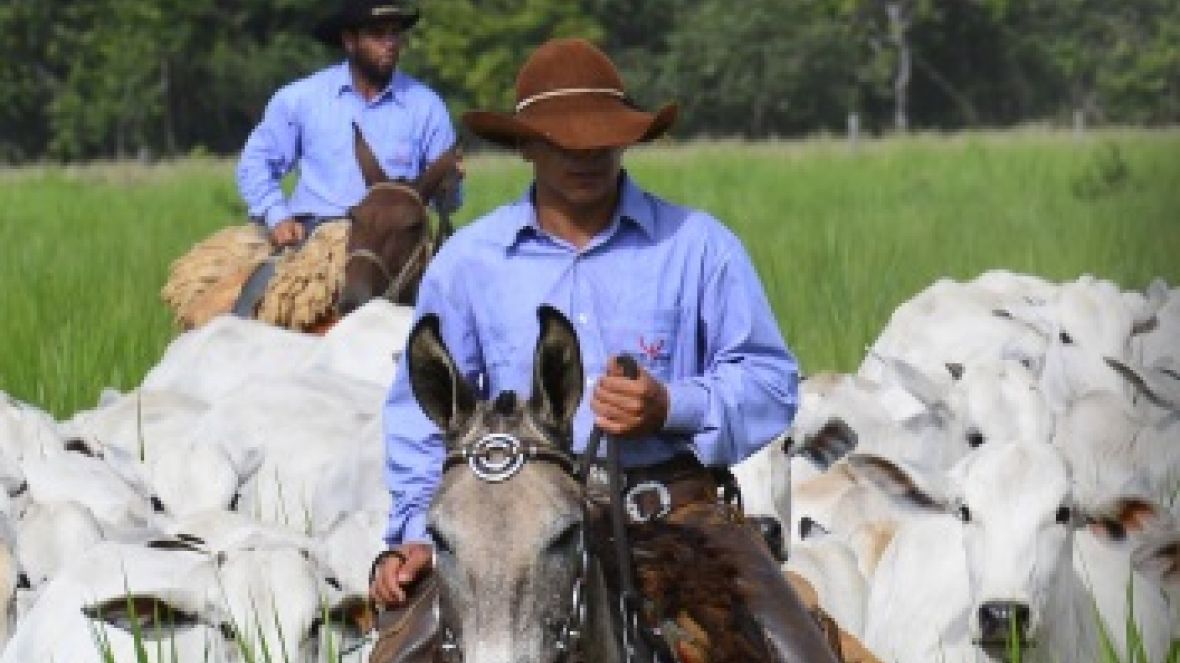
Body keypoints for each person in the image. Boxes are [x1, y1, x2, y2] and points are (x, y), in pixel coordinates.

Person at [370, 38, 840, 661]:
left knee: (800, 649)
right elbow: (419, 412)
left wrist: (671, 406)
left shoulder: (698, 247)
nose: (587, 155)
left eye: (602, 138)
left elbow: (771, 382)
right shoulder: (468, 265)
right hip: (507, 527)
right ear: (527, 146)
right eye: (566, 142)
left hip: (675, 515)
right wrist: (414, 532)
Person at [236, 0, 458, 248]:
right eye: (377, 34)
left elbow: (451, 201)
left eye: (395, 33)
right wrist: (277, 216)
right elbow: (256, 162)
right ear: (350, 41)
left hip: (395, 245)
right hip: (315, 238)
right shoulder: (300, 99)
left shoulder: (427, 106)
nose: (390, 44)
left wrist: (449, 184)